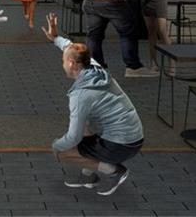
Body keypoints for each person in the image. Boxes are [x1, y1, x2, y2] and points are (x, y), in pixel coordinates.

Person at [42, 13, 144, 196]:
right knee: (86, 126)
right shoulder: (93, 66)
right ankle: (88, 176)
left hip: (121, 144)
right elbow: (69, 47)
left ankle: (114, 171)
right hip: (134, 135)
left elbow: (72, 137)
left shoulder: (80, 96)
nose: (62, 63)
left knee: (64, 151)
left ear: (72, 64)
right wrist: (56, 38)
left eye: (63, 61)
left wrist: (55, 145)